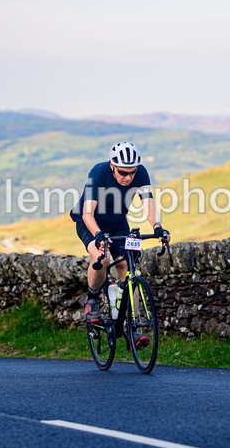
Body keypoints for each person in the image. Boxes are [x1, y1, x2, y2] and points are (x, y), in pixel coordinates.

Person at [70, 142, 170, 341]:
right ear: (112, 166)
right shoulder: (98, 173)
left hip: (117, 223)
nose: (128, 178)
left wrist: (157, 227)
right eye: (123, 173)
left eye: (132, 173)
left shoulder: (141, 173)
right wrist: (98, 235)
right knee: (102, 258)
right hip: (90, 222)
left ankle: (133, 327)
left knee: (127, 266)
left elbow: (148, 204)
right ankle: (93, 300)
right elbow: (87, 213)